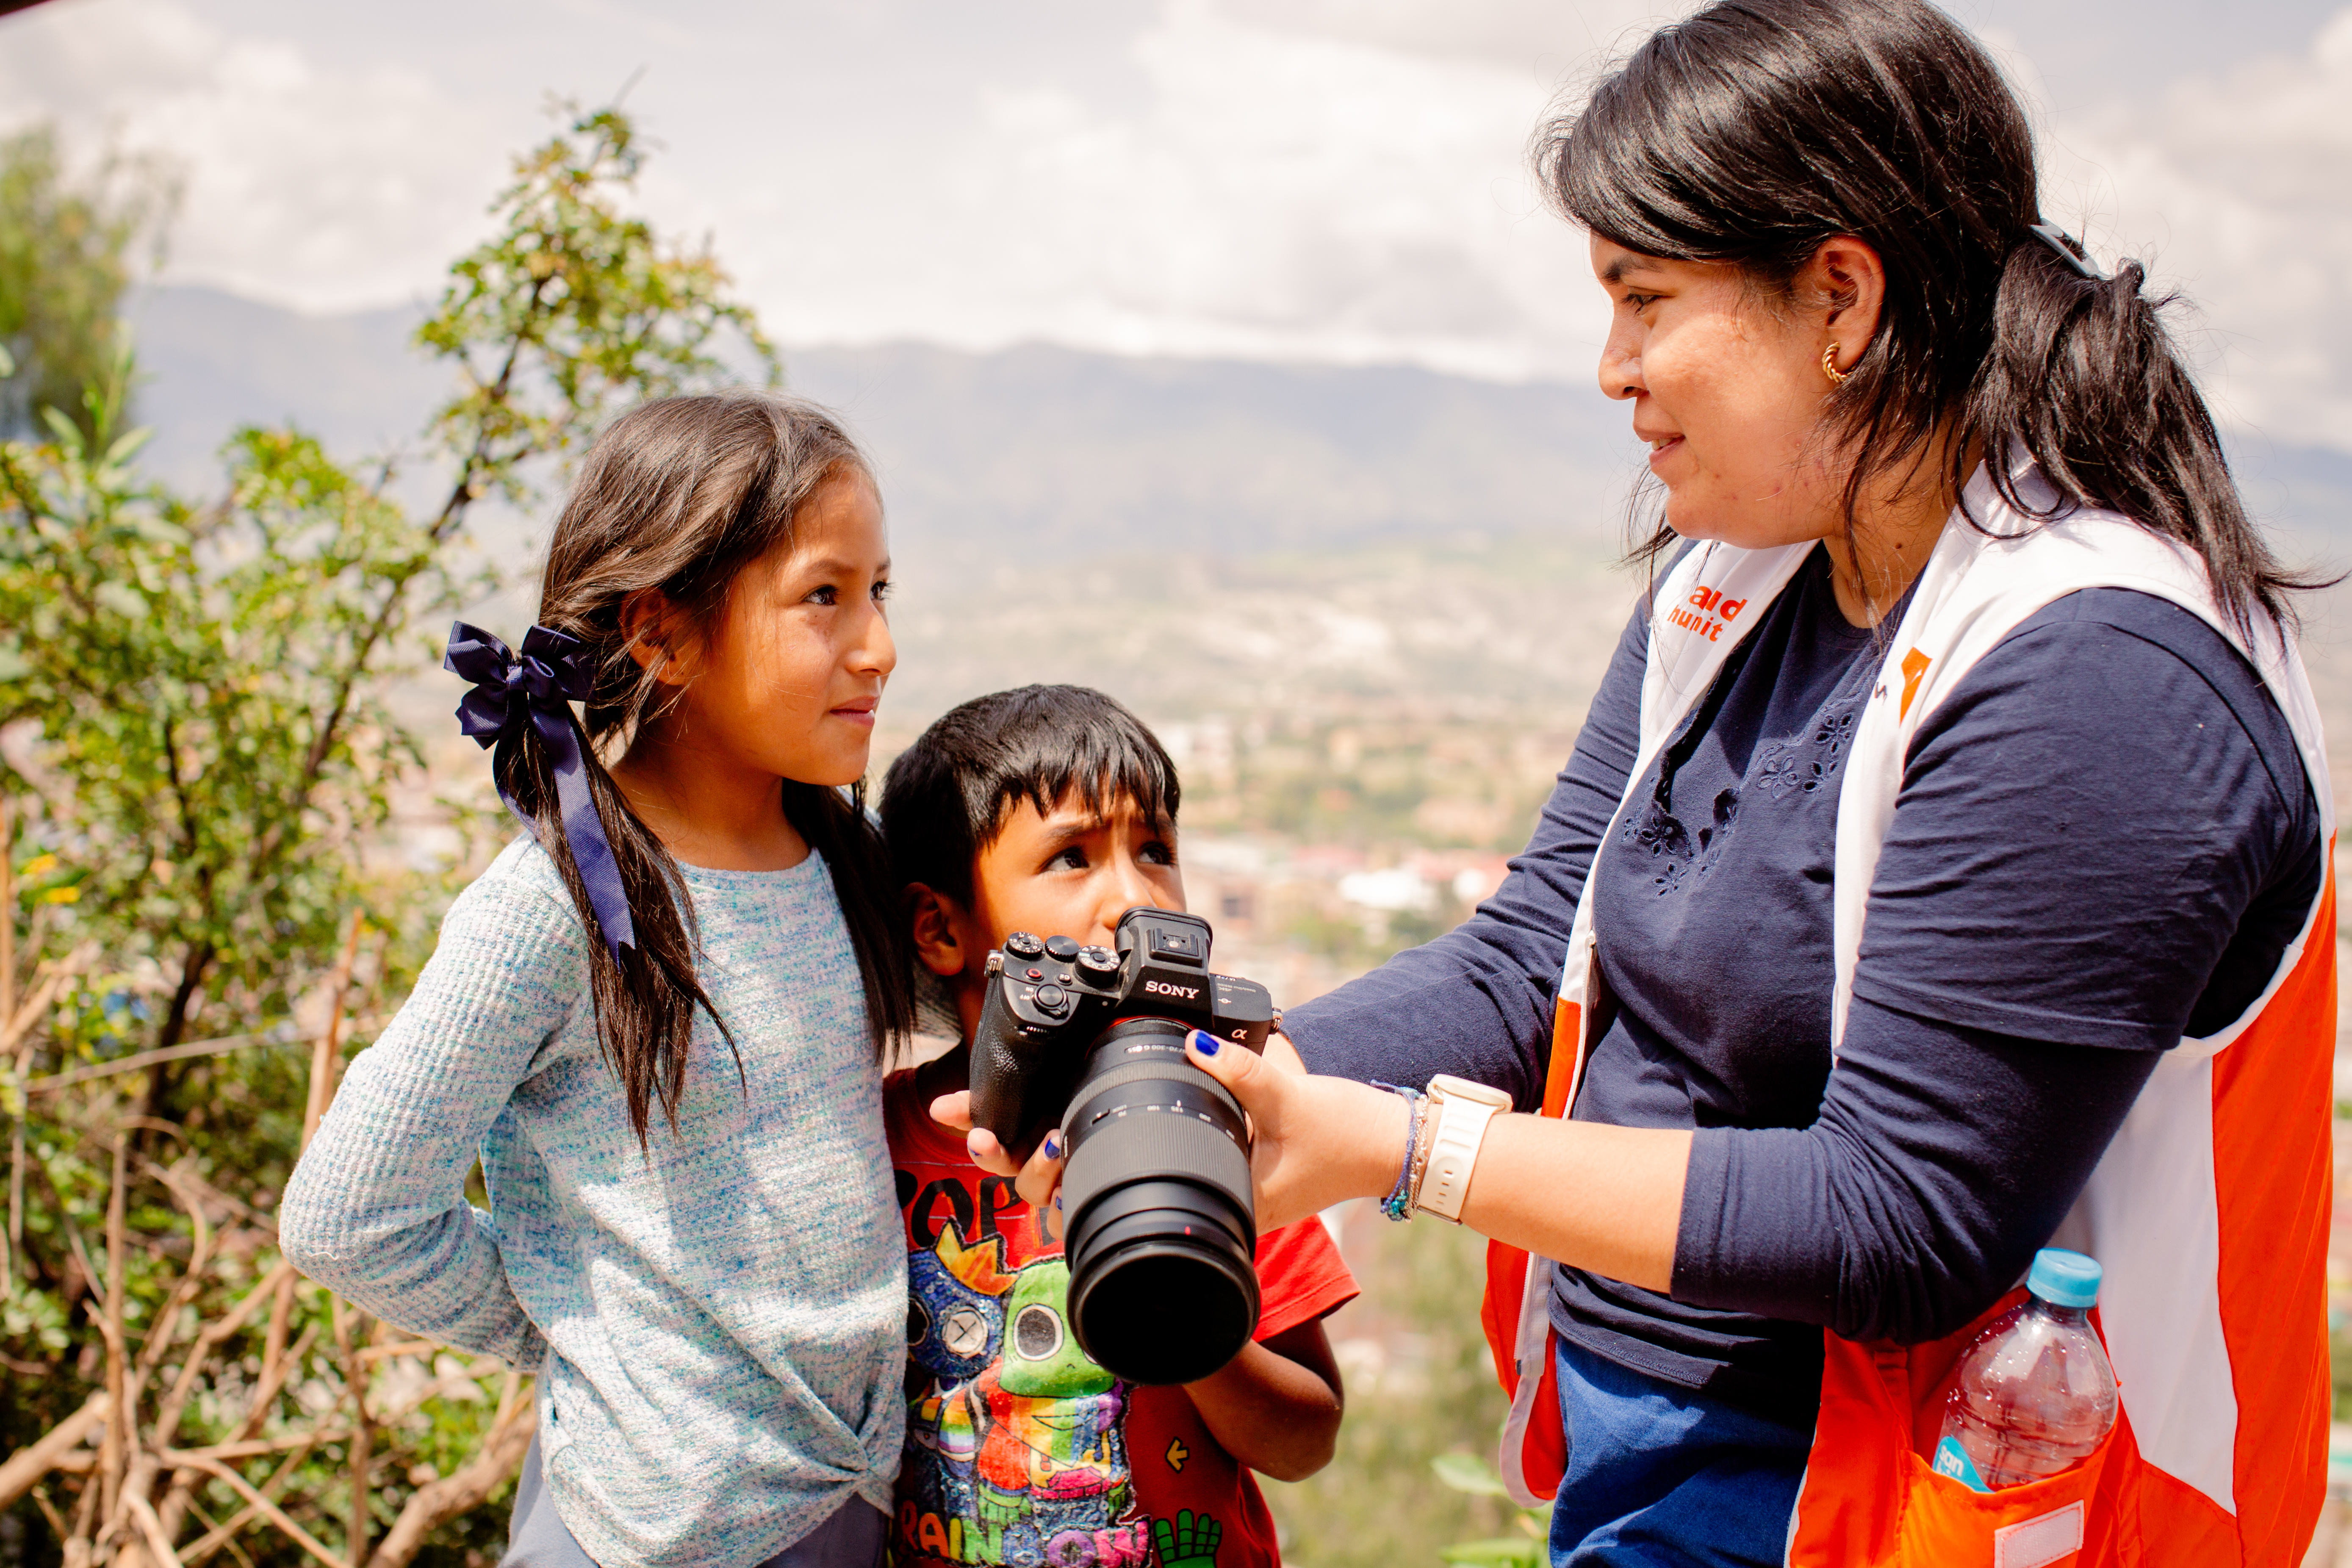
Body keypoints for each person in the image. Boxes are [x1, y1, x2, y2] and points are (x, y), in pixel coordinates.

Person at [972, 2, 2336, 1562]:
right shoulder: (1740, 579)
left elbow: (1902, 1220)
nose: (1611, 368)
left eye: (1641, 300)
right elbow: (1526, 960)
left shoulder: (2094, 676)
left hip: (1928, 1505)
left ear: (1840, 297)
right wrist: (1173, 1089)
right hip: (1658, 1454)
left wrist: (1406, 1152)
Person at [281, 392, 915, 1568]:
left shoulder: (845, 860)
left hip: (853, 1504)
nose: (875, 642)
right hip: (649, 1528)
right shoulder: (556, 905)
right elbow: (346, 1214)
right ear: (661, 632)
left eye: (878, 590)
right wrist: (597, 1330)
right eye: (824, 595)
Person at [879, 685, 1355, 1568]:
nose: (1132, 900)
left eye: (1154, 850)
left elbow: (1305, 1441)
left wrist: (1182, 1320)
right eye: (1071, 858)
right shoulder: (872, 1152)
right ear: (939, 927)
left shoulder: (1218, 1126)